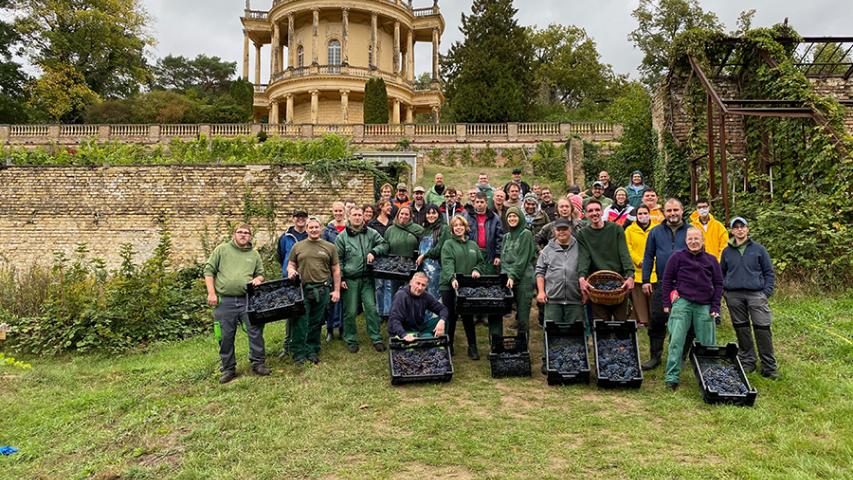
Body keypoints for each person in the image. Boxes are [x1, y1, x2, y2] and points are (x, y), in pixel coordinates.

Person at [660, 227, 723, 390]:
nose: (693, 242)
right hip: (683, 302)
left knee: (708, 343)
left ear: (702, 240)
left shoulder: (711, 260)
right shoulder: (677, 257)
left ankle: (709, 378)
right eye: (690, 239)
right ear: (686, 241)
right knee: (676, 340)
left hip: (705, 304)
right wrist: (667, 304)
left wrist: (716, 306)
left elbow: (718, 284)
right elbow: (666, 281)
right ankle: (672, 377)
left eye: (697, 239)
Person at [204, 224, 268, 384]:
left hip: (248, 300)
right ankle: (228, 369)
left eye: (247, 233)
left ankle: (258, 363)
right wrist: (211, 293)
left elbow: (260, 274)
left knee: (255, 331)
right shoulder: (222, 250)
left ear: (250, 237)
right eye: (240, 232)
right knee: (225, 336)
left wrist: (258, 279)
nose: (243, 235)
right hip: (225, 301)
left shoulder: (254, 254)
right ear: (234, 234)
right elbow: (209, 271)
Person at [721, 217, 778, 379]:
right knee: (742, 328)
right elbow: (721, 272)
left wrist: (766, 292)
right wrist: (726, 290)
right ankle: (748, 361)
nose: (739, 230)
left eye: (742, 227)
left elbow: (768, 272)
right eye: (736, 227)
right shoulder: (727, 251)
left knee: (762, 328)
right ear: (732, 231)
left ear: (747, 229)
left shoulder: (759, 249)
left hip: (756, 294)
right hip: (734, 295)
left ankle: (769, 366)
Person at [641, 198, 689, 370]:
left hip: (687, 283)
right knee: (657, 319)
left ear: (682, 211)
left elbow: (700, 255)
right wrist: (646, 280)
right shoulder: (655, 232)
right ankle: (655, 356)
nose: (672, 213)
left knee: (685, 321)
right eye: (669, 210)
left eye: (676, 210)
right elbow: (648, 256)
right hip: (663, 282)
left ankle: (681, 356)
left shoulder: (691, 231)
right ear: (664, 213)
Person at [285, 218, 341, 365]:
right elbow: (290, 264)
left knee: (316, 322)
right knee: (301, 321)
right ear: (307, 229)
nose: (314, 230)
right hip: (302, 290)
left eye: (316, 227)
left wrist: (336, 291)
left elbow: (335, 270)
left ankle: (312, 349)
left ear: (321, 228)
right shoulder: (298, 246)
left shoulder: (330, 247)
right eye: (311, 227)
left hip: (322, 289)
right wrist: (291, 271)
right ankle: (298, 352)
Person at [335, 207, 389, 353]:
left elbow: (384, 244)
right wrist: (342, 278)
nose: (357, 217)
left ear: (363, 217)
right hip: (350, 279)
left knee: (371, 308)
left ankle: (376, 337)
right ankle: (351, 339)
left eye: (360, 215)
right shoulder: (342, 237)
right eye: (354, 215)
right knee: (351, 311)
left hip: (367, 279)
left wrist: (373, 251)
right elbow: (337, 260)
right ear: (349, 216)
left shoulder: (371, 233)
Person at [577, 200, 634, 322]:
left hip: (618, 281)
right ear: (586, 214)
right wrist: (581, 277)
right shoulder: (583, 234)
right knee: (601, 324)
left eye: (597, 210)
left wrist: (630, 275)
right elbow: (584, 257)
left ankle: (622, 341)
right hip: (597, 283)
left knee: (621, 323)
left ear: (602, 212)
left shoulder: (616, 229)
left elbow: (624, 253)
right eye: (590, 211)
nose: (594, 213)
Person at [440, 215, 488, 359]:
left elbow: (481, 262)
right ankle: (449, 345)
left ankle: (472, 347)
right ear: (452, 229)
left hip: (467, 287)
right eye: (456, 225)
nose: (459, 228)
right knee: (451, 316)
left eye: (461, 225)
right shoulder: (448, 244)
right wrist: (452, 278)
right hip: (449, 286)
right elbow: (447, 264)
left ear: (465, 227)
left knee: (467, 315)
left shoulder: (472, 245)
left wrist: (477, 270)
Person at [536, 218, 585, 327]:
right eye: (559, 229)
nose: (561, 232)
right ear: (554, 231)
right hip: (553, 300)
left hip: (575, 299)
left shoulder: (580, 247)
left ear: (570, 230)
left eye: (564, 229)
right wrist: (541, 292)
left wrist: (585, 291)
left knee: (576, 333)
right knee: (552, 333)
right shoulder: (547, 250)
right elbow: (540, 272)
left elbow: (586, 269)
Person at [500, 207, 536, 349]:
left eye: (515, 216)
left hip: (524, 279)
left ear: (520, 218)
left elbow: (522, 259)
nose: (512, 219)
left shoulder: (525, 234)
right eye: (509, 217)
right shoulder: (506, 237)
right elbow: (503, 259)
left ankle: (523, 346)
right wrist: (506, 276)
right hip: (509, 279)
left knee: (522, 316)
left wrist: (513, 275)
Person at [275, 211, 309, 357]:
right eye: (297, 217)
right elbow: (281, 255)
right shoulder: (285, 237)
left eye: (303, 217)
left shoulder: (311, 234)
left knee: (306, 312)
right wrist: (289, 270)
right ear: (293, 219)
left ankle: (304, 343)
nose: (300, 220)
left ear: (306, 219)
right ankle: (287, 344)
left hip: (308, 278)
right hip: (290, 280)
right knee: (290, 313)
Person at [382, 206, 424, 319]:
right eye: (402, 214)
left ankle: (411, 318)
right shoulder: (390, 230)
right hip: (395, 268)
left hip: (411, 268)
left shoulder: (418, 229)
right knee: (395, 294)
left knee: (411, 293)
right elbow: (385, 245)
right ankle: (396, 318)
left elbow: (424, 246)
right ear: (398, 215)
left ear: (410, 216)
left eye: (406, 214)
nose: (403, 216)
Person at [387, 272, 448, 341]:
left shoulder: (425, 296)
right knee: (425, 338)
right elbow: (394, 320)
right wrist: (404, 335)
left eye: (423, 285)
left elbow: (443, 309)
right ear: (410, 282)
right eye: (418, 283)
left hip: (418, 328)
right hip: (402, 330)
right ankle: (425, 340)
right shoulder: (401, 295)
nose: (420, 288)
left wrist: (442, 321)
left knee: (444, 320)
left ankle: (440, 344)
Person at [625, 205, 658, 327]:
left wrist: (652, 260)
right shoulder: (629, 230)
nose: (643, 216)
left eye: (645, 213)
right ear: (636, 216)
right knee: (639, 298)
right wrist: (638, 260)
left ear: (649, 214)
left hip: (654, 269)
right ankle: (642, 320)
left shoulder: (657, 229)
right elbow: (628, 248)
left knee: (653, 297)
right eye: (640, 214)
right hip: (637, 268)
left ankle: (653, 320)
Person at [416, 205, 451, 305]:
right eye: (429, 213)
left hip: (437, 269)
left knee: (435, 297)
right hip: (424, 268)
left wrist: (425, 255)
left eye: (434, 213)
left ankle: (438, 319)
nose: (431, 215)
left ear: (438, 214)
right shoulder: (425, 230)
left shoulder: (444, 228)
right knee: (425, 294)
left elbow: (441, 248)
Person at [322, 202, 347, 341]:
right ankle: (330, 329)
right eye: (336, 211)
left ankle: (342, 329)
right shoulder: (327, 231)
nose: (338, 213)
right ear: (332, 212)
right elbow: (324, 249)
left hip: (346, 268)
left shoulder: (349, 228)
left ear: (344, 211)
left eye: (340, 210)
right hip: (331, 270)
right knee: (331, 301)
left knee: (344, 302)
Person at [464, 192, 503, 275]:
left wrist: (498, 255)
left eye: (482, 202)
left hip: (489, 253)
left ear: (486, 203)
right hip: (472, 253)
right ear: (474, 204)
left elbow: (499, 238)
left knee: (488, 279)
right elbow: (464, 235)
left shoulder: (494, 217)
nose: (479, 204)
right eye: (477, 202)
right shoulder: (467, 217)